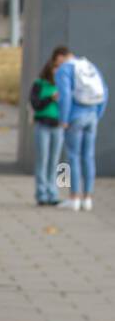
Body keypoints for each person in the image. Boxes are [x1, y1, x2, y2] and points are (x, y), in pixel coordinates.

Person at [54, 46, 108, 212]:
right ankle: (88, 198)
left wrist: (64, 119)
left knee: (72, 157)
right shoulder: (88, 65)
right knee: (88, 157)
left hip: (75, 116)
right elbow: (104, 91)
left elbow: (65, 95)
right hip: (92, 115)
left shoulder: (65, 69)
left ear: (60, 57)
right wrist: (97, 114)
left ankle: (74, 197)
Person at [30, 49, 65, 206]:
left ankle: (55, 192)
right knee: (42, 159)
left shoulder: (64, 86)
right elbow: (35, 105)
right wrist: (51, 98)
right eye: (56, 68)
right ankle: (41, 193)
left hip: (58, 126)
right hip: (43, 124)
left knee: (57, 161)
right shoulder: (39, 84)